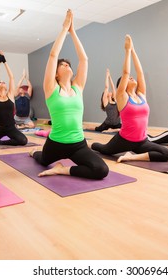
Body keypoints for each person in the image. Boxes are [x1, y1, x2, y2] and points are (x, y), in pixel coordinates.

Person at [30, 9, 109, 179]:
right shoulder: (51, 88)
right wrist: (64, 29)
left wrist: (73, 32)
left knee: (102, 170)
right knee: (42, 159)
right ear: (56, 73)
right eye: (63, 65)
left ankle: (62, 169)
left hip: (78, 145)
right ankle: (34, 152)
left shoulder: (77, 88)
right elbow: (53, 55)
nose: (67, 66)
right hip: (55, 143)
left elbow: (84, 60)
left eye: (68, 65)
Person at [91, 35, 168, 163]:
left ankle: (132, 156)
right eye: (129, 79)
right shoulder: (122, 97)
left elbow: (140, 72)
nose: (132, 78)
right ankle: (88, 145)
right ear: (121, 85)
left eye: (131, 78)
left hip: (142, 141)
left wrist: (133, 50)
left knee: (167, 154)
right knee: (101, 148)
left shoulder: (141, 94)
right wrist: (127, 51)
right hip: (123, 140)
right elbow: (126, 73)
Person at [0, 50, 28, 147]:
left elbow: (11, 77)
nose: (2, 82)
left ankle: (0, 142)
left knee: (23, 141)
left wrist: (5, 61)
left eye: (3, 81)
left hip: (11, 128)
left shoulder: (10, 95)